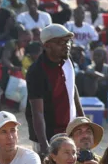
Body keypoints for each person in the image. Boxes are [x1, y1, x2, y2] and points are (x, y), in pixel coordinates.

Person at [26, 24, 84, 154]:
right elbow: (37, 112)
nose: (66, 45)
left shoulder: (68, 60)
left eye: (68, 41)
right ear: (47, 46)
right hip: (47, 135)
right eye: (60, 42)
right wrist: (44, 145)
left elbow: (72, 87)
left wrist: (82, 119)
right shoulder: (37, 71)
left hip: (68, 129)